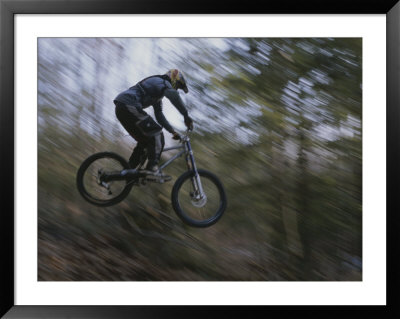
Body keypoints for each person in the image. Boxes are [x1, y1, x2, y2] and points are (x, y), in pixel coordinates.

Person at [113, 69, 194, 176]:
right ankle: (152, 167)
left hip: (123, 107)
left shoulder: (158, 92)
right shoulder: (161, 82)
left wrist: (172, 131)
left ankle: (129, 172)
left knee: (145, 142)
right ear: (174, 79)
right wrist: (185, 115)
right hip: (128, 105)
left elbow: (159, 115)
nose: (177, 89)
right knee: (157, 133)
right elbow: (173, 96)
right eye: (178, 85)